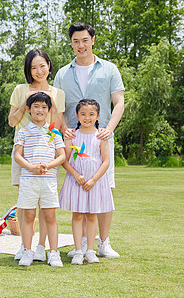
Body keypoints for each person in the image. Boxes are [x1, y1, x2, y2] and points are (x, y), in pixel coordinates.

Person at [54, 22, 124, 258]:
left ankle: (103, 242)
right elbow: (58, 108)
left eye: (84, 40)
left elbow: (119, 102)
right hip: (73, 140)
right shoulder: (63, 73)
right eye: (75, 41)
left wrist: (108, 129)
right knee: (79, 188)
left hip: (100, 139)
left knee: (103, 189)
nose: (80, 45)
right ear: (71, 43)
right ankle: (82, 244)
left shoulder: (109, 69)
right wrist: (65, 130)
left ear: (92, 40)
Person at [8, 49, 65, 262]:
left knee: (47, 206)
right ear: (28, 70)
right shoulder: (19, 89)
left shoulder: (57, 93)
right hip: (24, 151)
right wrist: (26, 102)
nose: (39, 71)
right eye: (33, 67)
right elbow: (12, 122)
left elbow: (57, 125)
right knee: (25, 204)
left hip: (47, 155)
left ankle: (42, 247)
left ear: (49, 66)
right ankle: (25, 247)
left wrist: (51, 102)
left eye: (42, 65)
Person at [59, 99, 114, 264]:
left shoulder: (101, 136)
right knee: (77, 215)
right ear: (77, 115)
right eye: (83, 114)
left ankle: (90, 250)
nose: (87, 118)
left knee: (92, 216)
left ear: (97, 116)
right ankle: (78, 250)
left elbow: (106, 161)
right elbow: (65, 160)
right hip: (77, 182)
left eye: (91, 114)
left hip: (95, 183)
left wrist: (93, 180)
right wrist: (76, 175)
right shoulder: (72, 135)